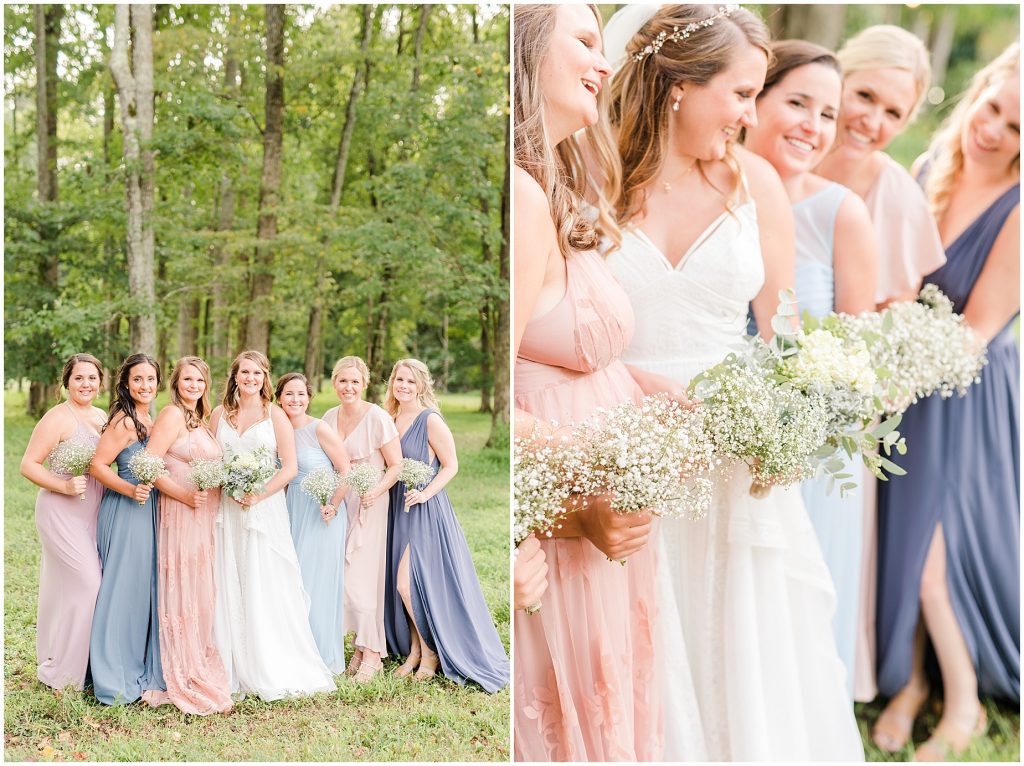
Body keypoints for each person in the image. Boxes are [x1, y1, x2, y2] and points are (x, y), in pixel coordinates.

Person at [603, 5, 862, 759]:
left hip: (738, 453)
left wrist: (790, 419)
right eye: (742, 94)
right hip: (626, 436)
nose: (754, 116)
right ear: (679, 86)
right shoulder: (595, 177)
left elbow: (785, 335)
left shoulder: (757, 184)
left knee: (744, 644)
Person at [513, 5, 703, 760]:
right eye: (586, 43)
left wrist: (664, 396)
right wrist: (580, 496)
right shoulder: (521, 198)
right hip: (566, 506)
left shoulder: (552, 183)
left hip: (601, 503)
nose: (604, 63)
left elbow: (570, 351)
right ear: (527, 52)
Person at [874, 44, 1020, 759]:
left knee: (939, 552)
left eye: (1017, 129)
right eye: (992, 109)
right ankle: (910, 683)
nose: (993, 132)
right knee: (902, 540)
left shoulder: (1020, 207)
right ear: (979, 93)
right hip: (906, 378)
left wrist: (905, 371)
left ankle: (962, 703)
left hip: (968, 390)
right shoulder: (930, 167)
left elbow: (982, 326)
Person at [814, 23, 947, 706]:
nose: (871, 120)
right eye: (863, 95)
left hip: (833, 404)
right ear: (839, 75)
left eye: (894, 111)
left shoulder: (891, 191)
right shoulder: (783, 145)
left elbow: (890, 311)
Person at [743, 39, 878, 696]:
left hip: (816, 450)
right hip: (716, 428)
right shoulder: (709, 195)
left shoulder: (840, 214)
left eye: (827, 114)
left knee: (798, 623)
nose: (813, 126)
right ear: (752, 98)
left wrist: (809, 407)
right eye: (797, 102)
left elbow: (861, 353)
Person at [211, 350, 335, 699]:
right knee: (230, 576)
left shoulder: (275, 414)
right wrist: (224, 483)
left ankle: (267, 660)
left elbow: (290, 467)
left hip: (263, 510)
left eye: (257, 373)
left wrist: (257, 494)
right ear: (234, 376)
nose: (250, 378)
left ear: (265, 378)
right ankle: (231, 657)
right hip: (227, 508)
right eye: (244, 372)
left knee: (262, 578)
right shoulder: (220, 414)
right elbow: (209, 456)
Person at [382, 359, 509, 691]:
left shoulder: (430, 420)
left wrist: (425, 494)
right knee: (405, 585)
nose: (404, 386)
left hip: (424, 509)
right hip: (396, 508)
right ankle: (413, 652)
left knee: (407, 584)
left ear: (422, 385)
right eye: (399, 380)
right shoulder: (390, 418)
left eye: (411, 381)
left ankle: (431, 654)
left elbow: (451, 465)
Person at [142, 356, 232, 714]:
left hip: (204, 516)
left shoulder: (202, 419)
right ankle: (180, 669)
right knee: (181, 586)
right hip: (179, 513)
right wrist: (182, 495)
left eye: (200, 380)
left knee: (200, 588)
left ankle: (198, 657)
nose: (194, 385)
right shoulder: (172, 415)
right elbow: (149, 463)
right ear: (176, 383)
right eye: (187, 380)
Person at [20, 354, 106, 690]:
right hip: (60, 510)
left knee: (68, 588)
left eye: (92, 378)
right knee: (88, 583)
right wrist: (64, 485)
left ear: (101, 381)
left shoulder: (101, 417)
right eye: (79, 378)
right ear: (66, 382)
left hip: (93, 510)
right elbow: (28, 465)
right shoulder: (57, 417)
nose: (86, 384)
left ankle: (82, 665)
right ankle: (64, 673)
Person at [88, 353, 166, 705]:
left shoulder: (149, 417)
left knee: (139, 591)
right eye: (138, 379)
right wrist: (129, 488)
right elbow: (98, 465)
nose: (145, 386)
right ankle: (111, 673)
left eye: (150, 379)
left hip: (146, 510)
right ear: (126, 383)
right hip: (125, 508)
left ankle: (131, 660)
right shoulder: (125, 421)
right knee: (121, 590)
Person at [321, 356, 401, 683]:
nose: (348, 387)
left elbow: (396, 466)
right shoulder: (328, 417)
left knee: (362, 579)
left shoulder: (378, 418)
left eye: (355, 381)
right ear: (334, 382)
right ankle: (358, 646)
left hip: (370, 501)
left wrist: (376, 491)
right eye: (343, 381)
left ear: (364, 383)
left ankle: (373, 654)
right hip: (340, 501)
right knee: (343, 574)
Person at [277, 372, 351, 674]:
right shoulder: (274, 429)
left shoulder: (320, 429)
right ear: (278, 397)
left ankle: (322, 655)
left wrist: (332, 505)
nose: (295, 400)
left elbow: (345, 469)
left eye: (301, 394)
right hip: (289, 509)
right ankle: (293, 651)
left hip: (321, 512)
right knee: (291, 580)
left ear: (308, 398)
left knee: (315, 582)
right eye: (289, 394)